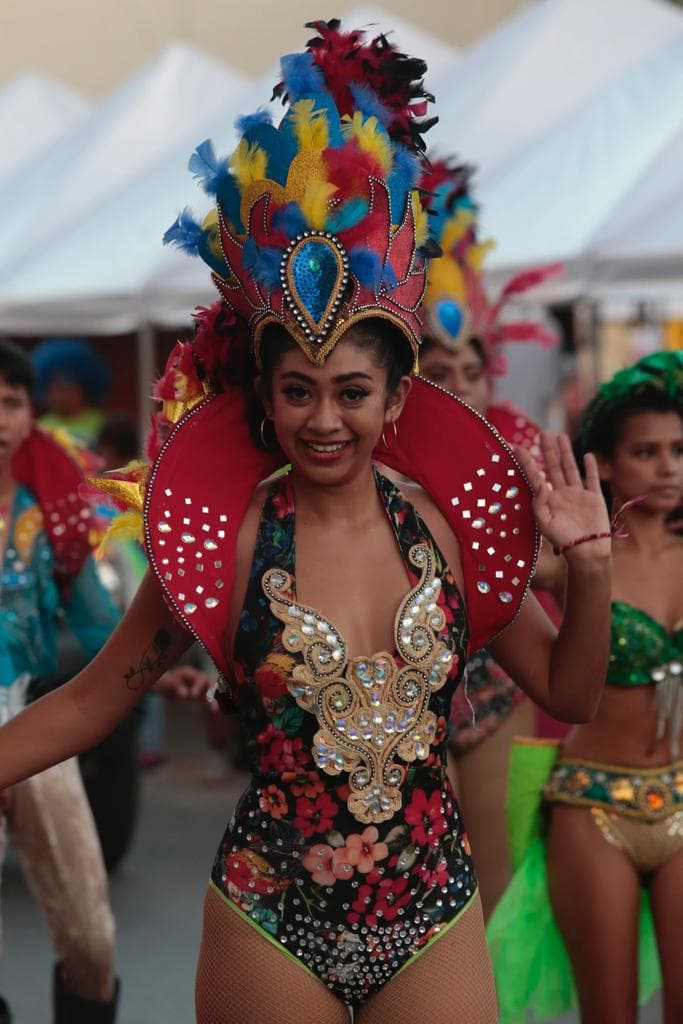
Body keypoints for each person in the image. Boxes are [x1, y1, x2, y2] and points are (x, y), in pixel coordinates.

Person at [0, 21, 612, 1024]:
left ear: (395, 396)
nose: (323, 419)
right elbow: (87, 703)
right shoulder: (225, 544)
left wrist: (585, 574)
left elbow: (569, 689)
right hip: (270, 914)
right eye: (297, 390)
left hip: (431, 913)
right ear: (264, 395)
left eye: (349, 392)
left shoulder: (452, 530)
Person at [487, 350, 683, 1024]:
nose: (667, 467)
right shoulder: (581, 552)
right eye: (645, 451)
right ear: (604, 461)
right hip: (590, 805)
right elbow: (497, 565)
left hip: (681, 796)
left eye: (680, 450)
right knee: (611, 1014)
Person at [416, 156, 564, 916]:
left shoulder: (524, 464)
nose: (455, 383)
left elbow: (563, 579)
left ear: (486, 377)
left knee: (492, 879)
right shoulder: (367, 469)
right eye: (434, 369)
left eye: (466, 370)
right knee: (417, 889)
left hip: (492, 687)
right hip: (394, 695)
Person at [0, 340, 121, 1023]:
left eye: (11, 403)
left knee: (92, 941)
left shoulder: (52, 505)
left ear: (29, 411)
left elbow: (100, 620)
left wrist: (154, 677)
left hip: (34, 732)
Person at [33, 336, 110, 447]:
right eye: (50, 383)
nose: (57, 391)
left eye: (66, 382)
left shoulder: (104, 426)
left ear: (85, 383)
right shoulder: (38, 429)